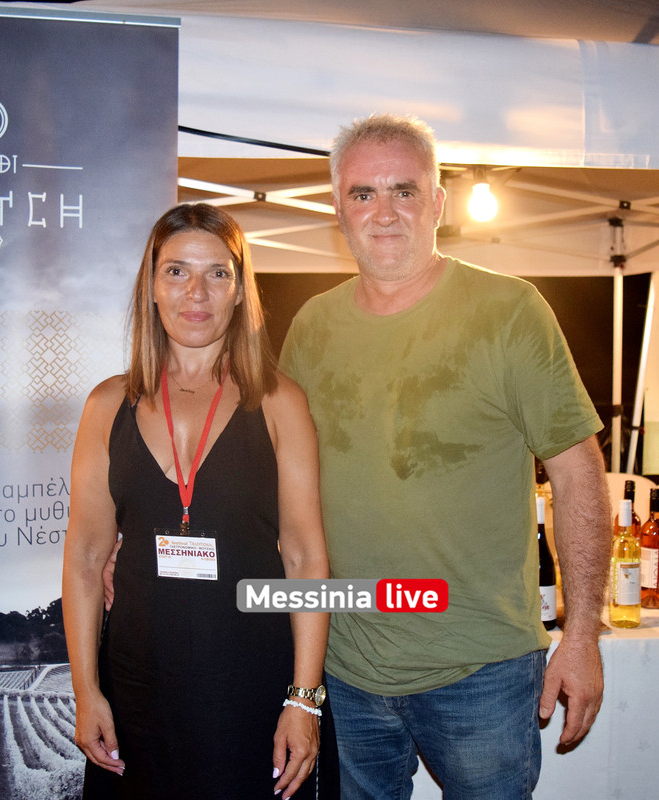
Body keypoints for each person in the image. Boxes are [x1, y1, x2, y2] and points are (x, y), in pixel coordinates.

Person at [278, 114, 610, 799]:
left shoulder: (509, 310)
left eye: (403, 190)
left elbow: (577, 472)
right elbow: (277, 482)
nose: (384, 212)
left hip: (481, 670)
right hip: (345, 668)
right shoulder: (311, 327)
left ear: (437, 202)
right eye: (363, 193)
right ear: (337, 208)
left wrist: (582, 634)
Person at [63, 204, 337, 799]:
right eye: (176, 272)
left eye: (217, 273)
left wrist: (304, 699)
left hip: (255, 693)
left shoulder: (279, 402)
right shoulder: (106, 406)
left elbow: (306, 559)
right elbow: (85, 558)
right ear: (151, 286)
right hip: (138, 694)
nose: (197, 293)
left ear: (240, 291)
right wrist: (87, 692)